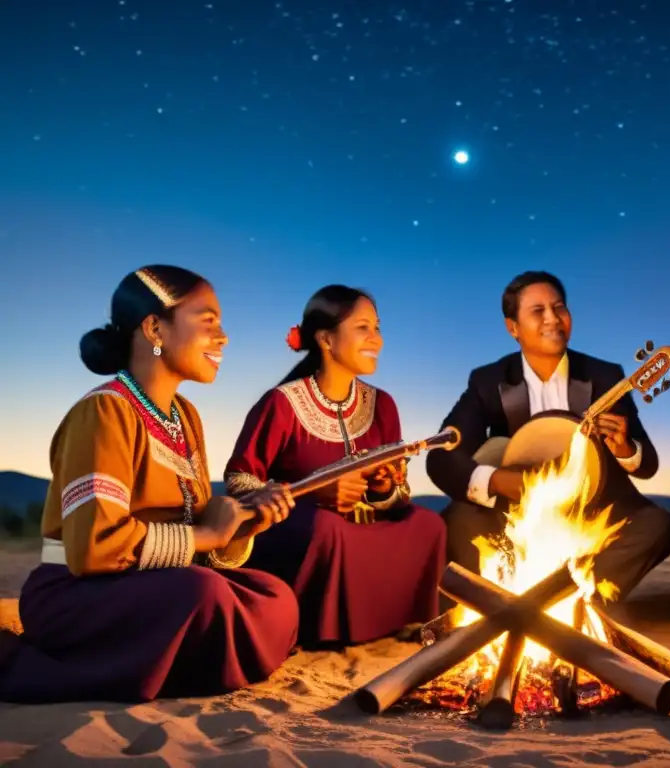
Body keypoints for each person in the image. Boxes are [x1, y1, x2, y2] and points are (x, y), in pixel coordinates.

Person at [0, 266, 299, 704]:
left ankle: (174, 657)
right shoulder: (104, 412)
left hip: (159, 588)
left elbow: (196, 528)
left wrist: (238, 530)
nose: (224, 336)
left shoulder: (186, 417)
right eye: (208, 320)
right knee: (204, 592)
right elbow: (92, 548)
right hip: (76, 590)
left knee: (275, 594)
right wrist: (204, 535)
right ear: (154, 327)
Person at [427, 271, 670, 606]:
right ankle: (498, 608)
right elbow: (442, 455)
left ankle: (571, 603)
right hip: (513, 512)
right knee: (457, 520)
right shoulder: (490, 381)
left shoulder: (605, 376)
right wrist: (501, 481)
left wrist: (624, 448)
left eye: (559, 307)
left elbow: (646, 463)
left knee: (659, 526)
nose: (552, 318)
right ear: (512, 328)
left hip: (590, 504)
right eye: (538, 311)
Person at [223, 285, 446, 648]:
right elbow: (238, 480)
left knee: (428, 524)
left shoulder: (383, 405)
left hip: (361, 529)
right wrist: (314, 492)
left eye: (377, 328)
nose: (377, 339)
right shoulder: (282, 403)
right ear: (326, 339)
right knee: (328, 527)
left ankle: (408, 622)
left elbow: (399, 496)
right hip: (302, 527)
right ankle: (319, 631)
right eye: (363, 328)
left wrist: (383, 490)